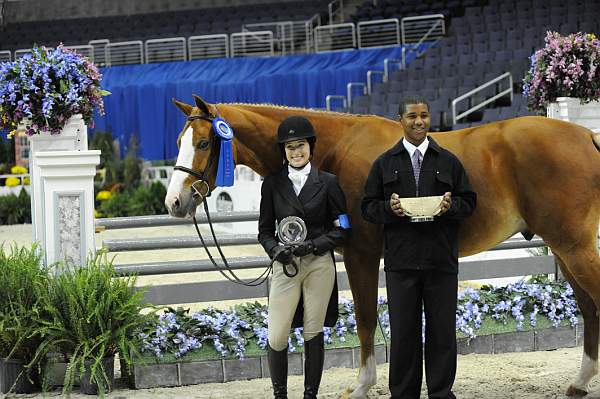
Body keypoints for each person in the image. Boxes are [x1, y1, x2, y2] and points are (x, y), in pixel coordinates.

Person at [361, 97, 476, 399]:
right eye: (412, 116)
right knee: (404, 335)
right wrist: (390, 208)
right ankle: (403, 394)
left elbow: (470, 203)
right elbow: (367, 208)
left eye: (424, 115)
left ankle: (441, 393)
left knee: (442, 335)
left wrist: (451, 206)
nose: (419, 121)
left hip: (441, 263)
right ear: (400, 119)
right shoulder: (384, 163)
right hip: (401, 264)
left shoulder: (448, 161)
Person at [258, 115, 350, 399]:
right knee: (276, 333)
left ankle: (310, 394)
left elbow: (344, 229)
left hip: (318, 264)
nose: (296, 152)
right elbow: (264, 231)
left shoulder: (329, 182)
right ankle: (280, 395)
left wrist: (312, 245)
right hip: (285, 266)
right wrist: (276, 250)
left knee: (312, 330)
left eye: (300, 146)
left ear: (311, 147)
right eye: (289, 148)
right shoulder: (272, 184)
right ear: (283, 151)